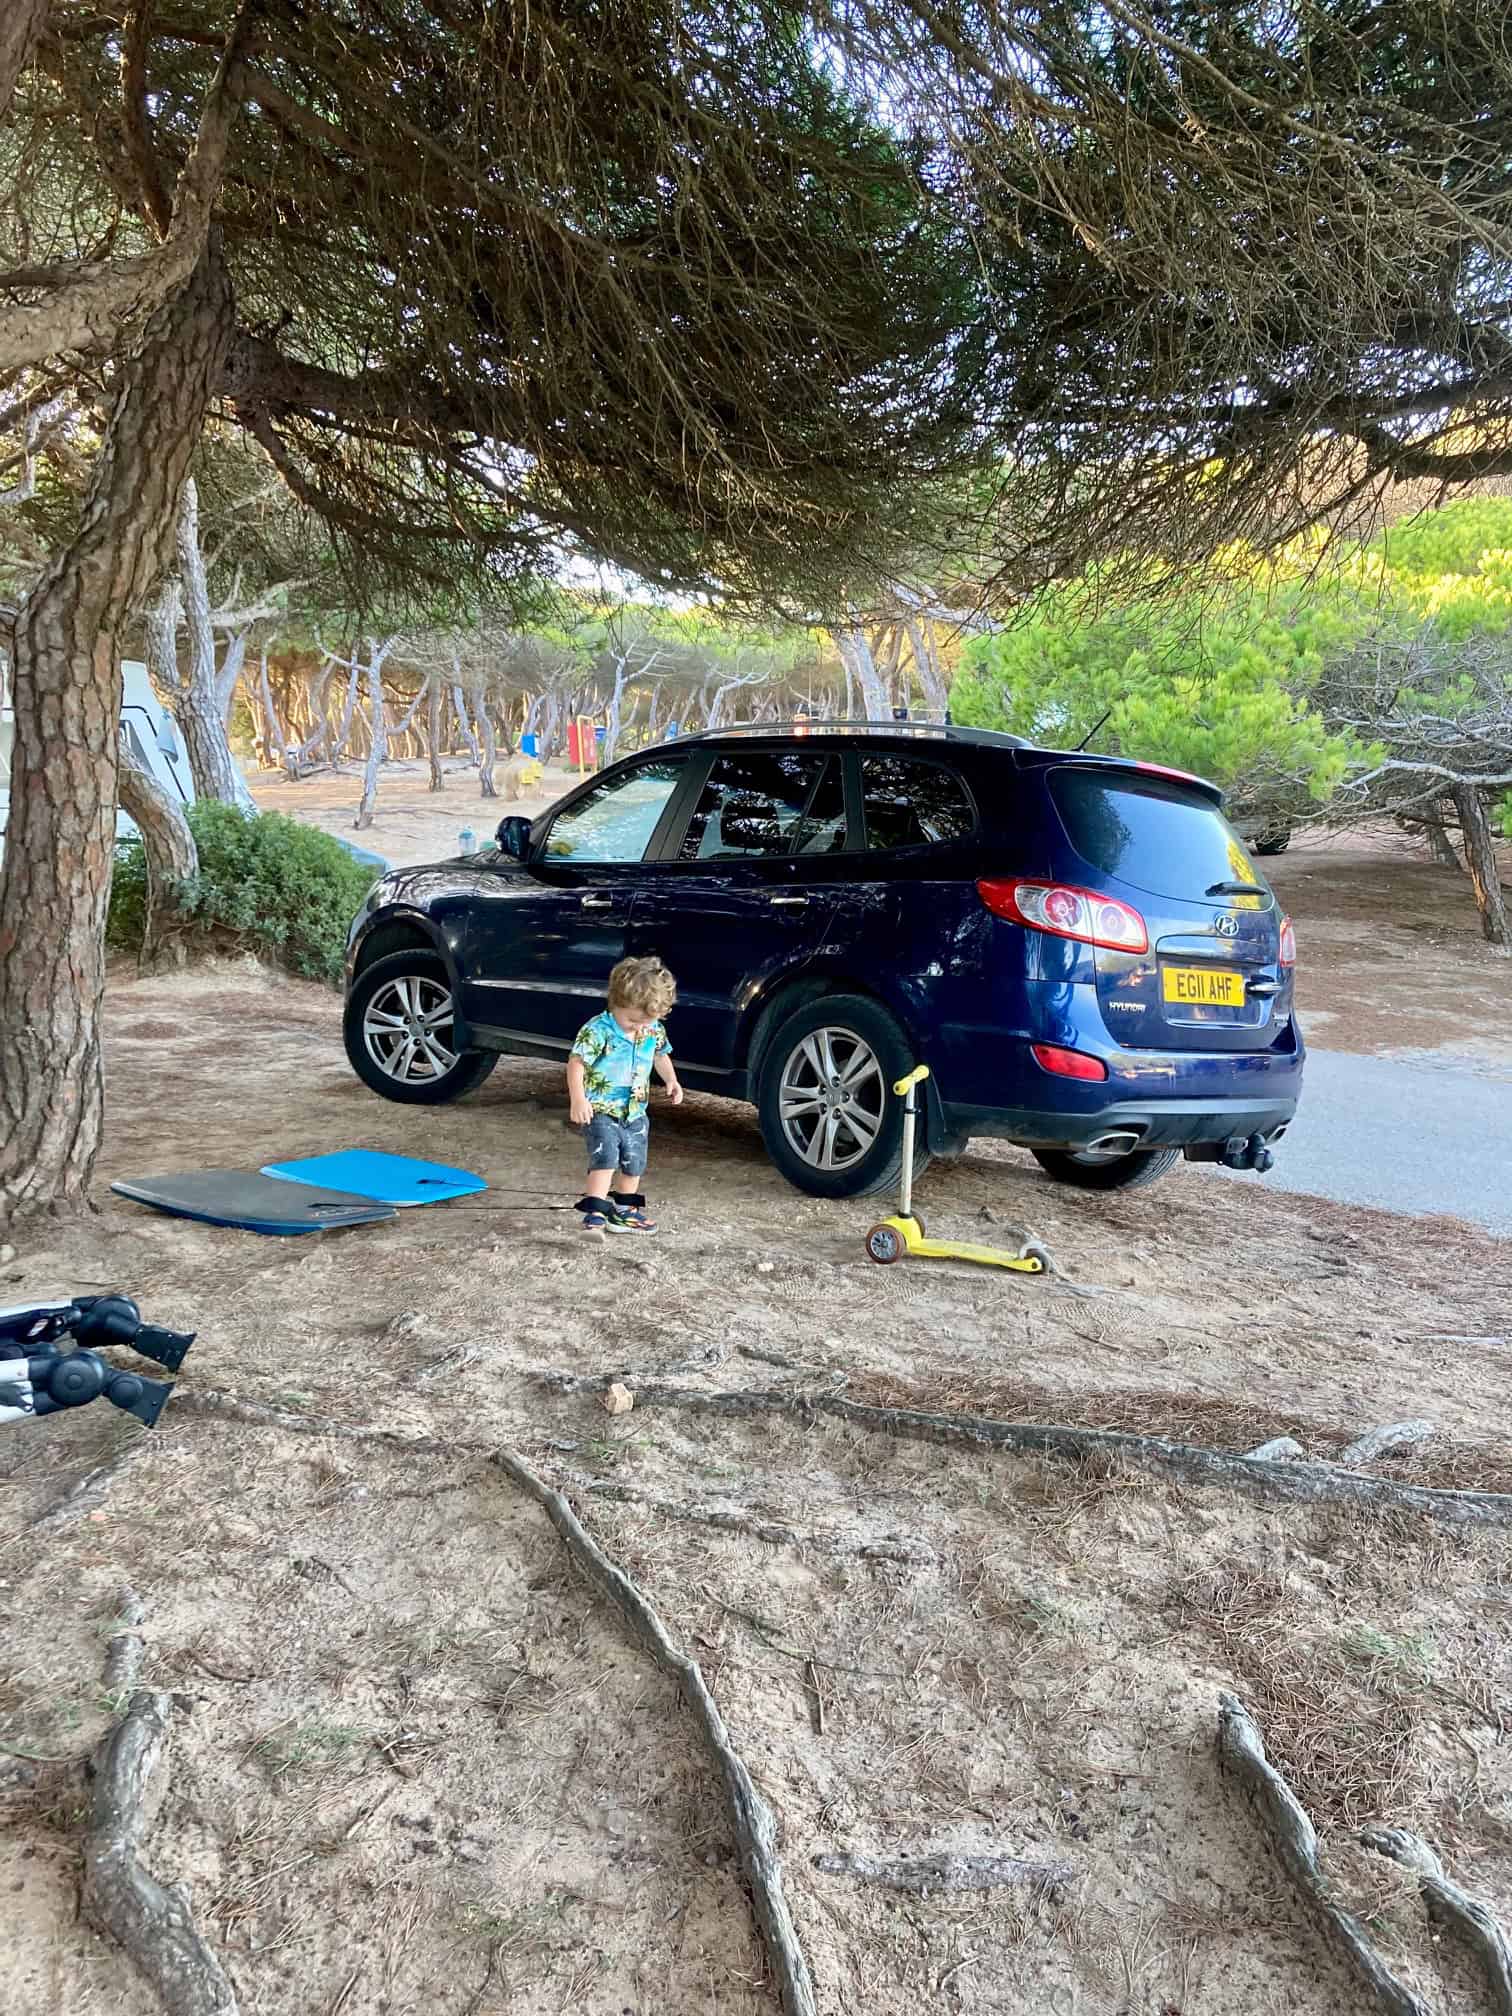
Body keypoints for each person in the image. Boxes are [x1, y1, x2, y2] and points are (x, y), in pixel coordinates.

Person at [567, 956, 682, 1233]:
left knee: (634, 1163)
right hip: (601, 1110)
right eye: (633, 1020)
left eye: (647, 1021)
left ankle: (624, 1212)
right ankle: (594, 1213)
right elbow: (576, 1063)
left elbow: (660, 1055)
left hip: (635, 1112)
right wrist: (578, 1099)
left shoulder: (652, 1028)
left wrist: (672, 1080)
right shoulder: (598, 1030)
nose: (640, 1027)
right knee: (605, 1157)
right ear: (616, 1002)